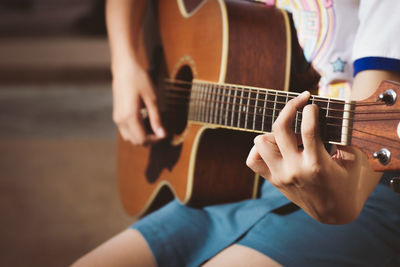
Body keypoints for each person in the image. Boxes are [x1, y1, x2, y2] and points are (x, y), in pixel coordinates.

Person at [73, 0, 400, 266]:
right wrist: (125, 63)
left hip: (369, 188)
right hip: (235, 179)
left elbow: (380, 125)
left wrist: (344, 199)